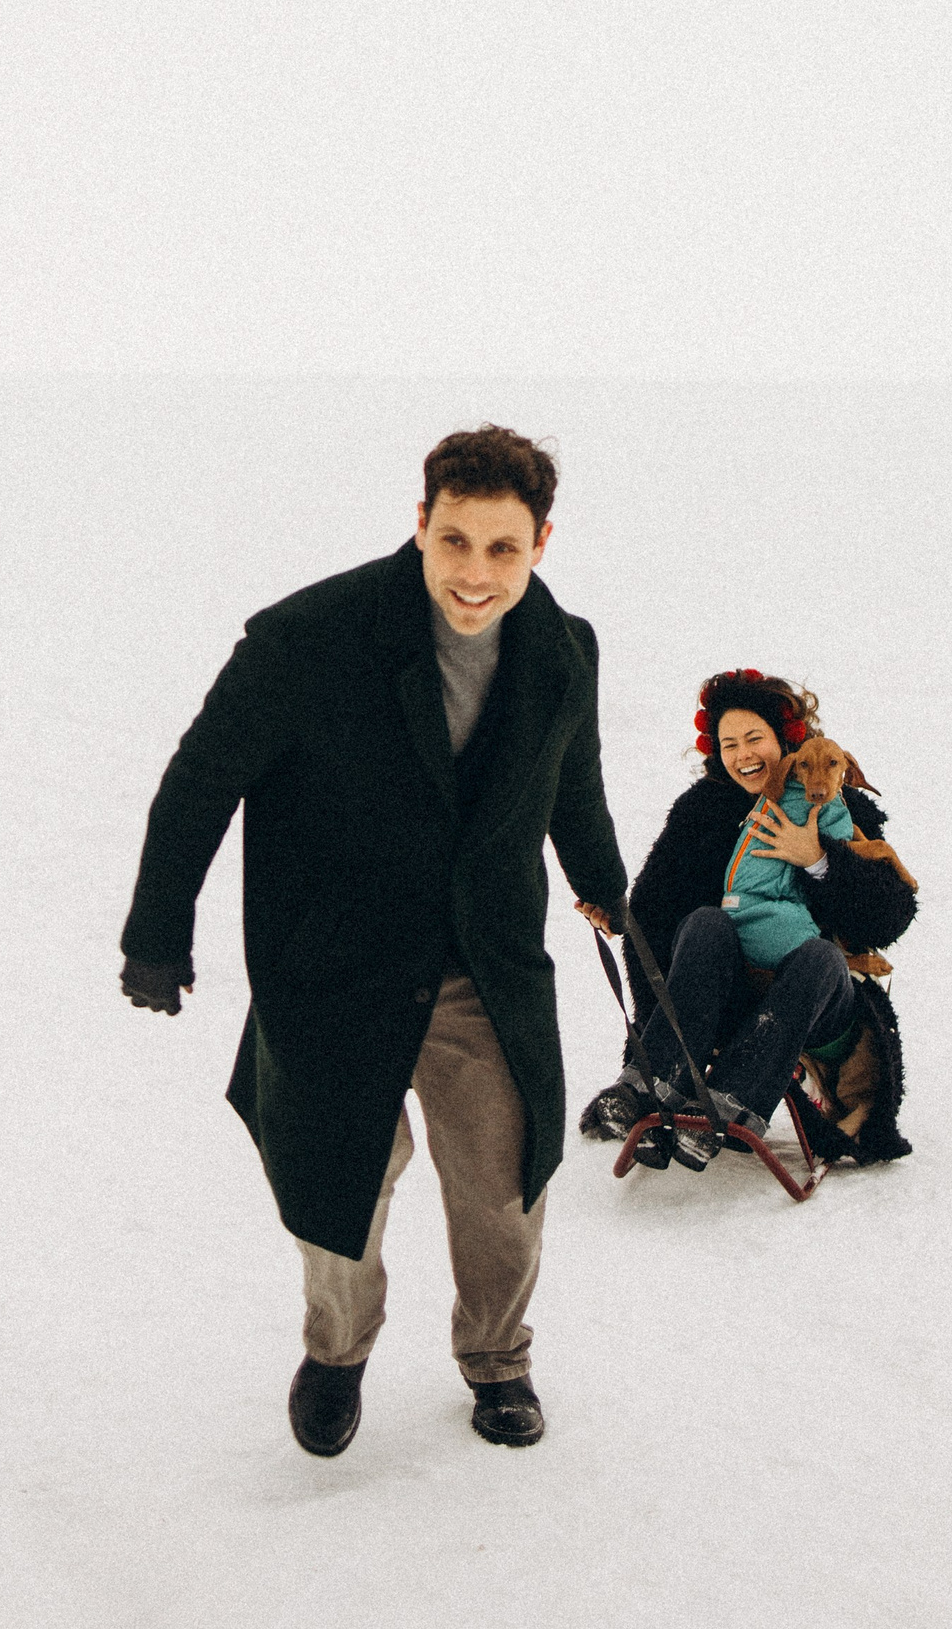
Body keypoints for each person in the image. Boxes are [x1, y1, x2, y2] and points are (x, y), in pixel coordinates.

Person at [121, 425, 627, 1458]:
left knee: (503, 1183)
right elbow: (201, 781)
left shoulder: (562, 650)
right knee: (343, 1175)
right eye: (454, 541)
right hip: (336, 961)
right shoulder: (309, 638)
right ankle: (337, 1351)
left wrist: (605, 885)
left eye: (503, 548)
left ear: (541, 543)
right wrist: (157, 935)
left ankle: (498, 1357)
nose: (475, 574)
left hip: (483, 962)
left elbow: (571, 778)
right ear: (421, 523)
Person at [578, 669, 916, 1168]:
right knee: (705, 922)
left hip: (818, 999)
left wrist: (818, 859)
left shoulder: (835, 798)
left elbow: (890, 916)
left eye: (755, 738)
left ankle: (732, 1104)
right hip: (729, 998)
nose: (743, 755)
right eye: (729, 744)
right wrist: (618, 917)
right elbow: (652, 915)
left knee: (819, 957)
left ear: (785, 739)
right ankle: (649, 1084)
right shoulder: (703, 811)